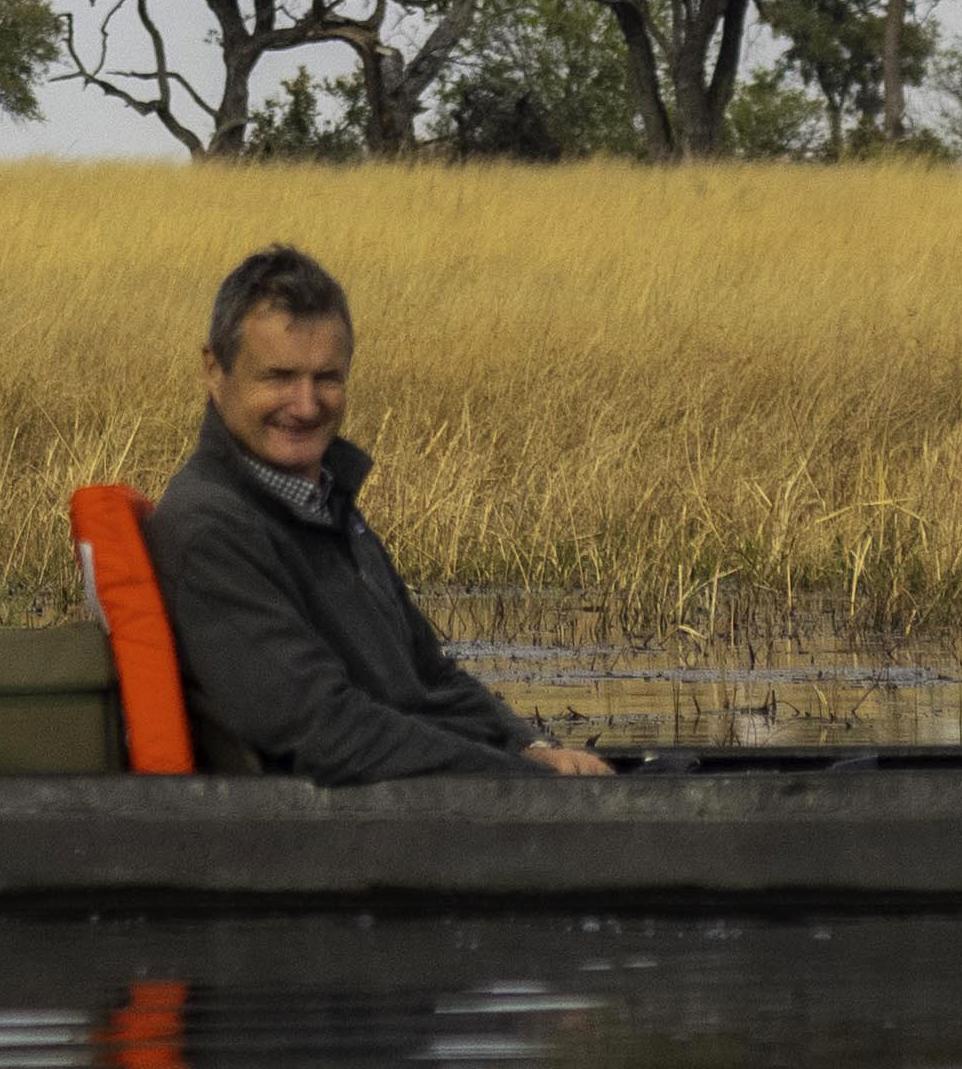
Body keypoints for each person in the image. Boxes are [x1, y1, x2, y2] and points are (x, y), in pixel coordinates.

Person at [141, 244, 612, 783]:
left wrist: (530, 747)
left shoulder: (320, 499)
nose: (306, 404)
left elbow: (431, 676)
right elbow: (328, 734)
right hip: (338, 839)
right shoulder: (212, 530)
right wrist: (524, 782)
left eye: (327, 378)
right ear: (213, 370)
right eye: (278, 376)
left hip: (425, 802)